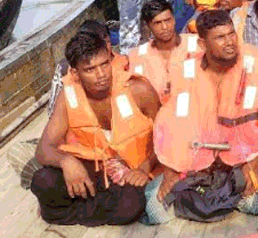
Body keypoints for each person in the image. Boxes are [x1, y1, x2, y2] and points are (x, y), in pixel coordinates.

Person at [150, 10, 258, 223]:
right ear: (202, 44)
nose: (229, 42)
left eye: (231, 34)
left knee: (252, 205)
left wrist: (253, 164)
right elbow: (171, 125)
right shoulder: (184, 71)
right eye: (220, 37)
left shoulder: (253, 63)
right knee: (156, 212)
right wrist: (171, 169)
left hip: (244, 155)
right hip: (196, 158)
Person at [31, 32, 161, 226]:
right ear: (75, 74)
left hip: (134, 170)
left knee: (130, 206)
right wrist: (67, 162)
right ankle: (96, 207)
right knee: (42, 181)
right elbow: (43, 149)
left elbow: (167, 138)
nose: (101, 75)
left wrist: (145, 166)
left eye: (104, 64)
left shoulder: (138, 89)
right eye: (90, 69)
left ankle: (77, 209)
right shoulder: (68, 97)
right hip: (96, 167)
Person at [127, 0, 201, 103]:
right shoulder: (137, 56)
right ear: (148, 26)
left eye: (167, 20)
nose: (165, 27)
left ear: (174, 20)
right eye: (157, 23)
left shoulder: (196, 45)